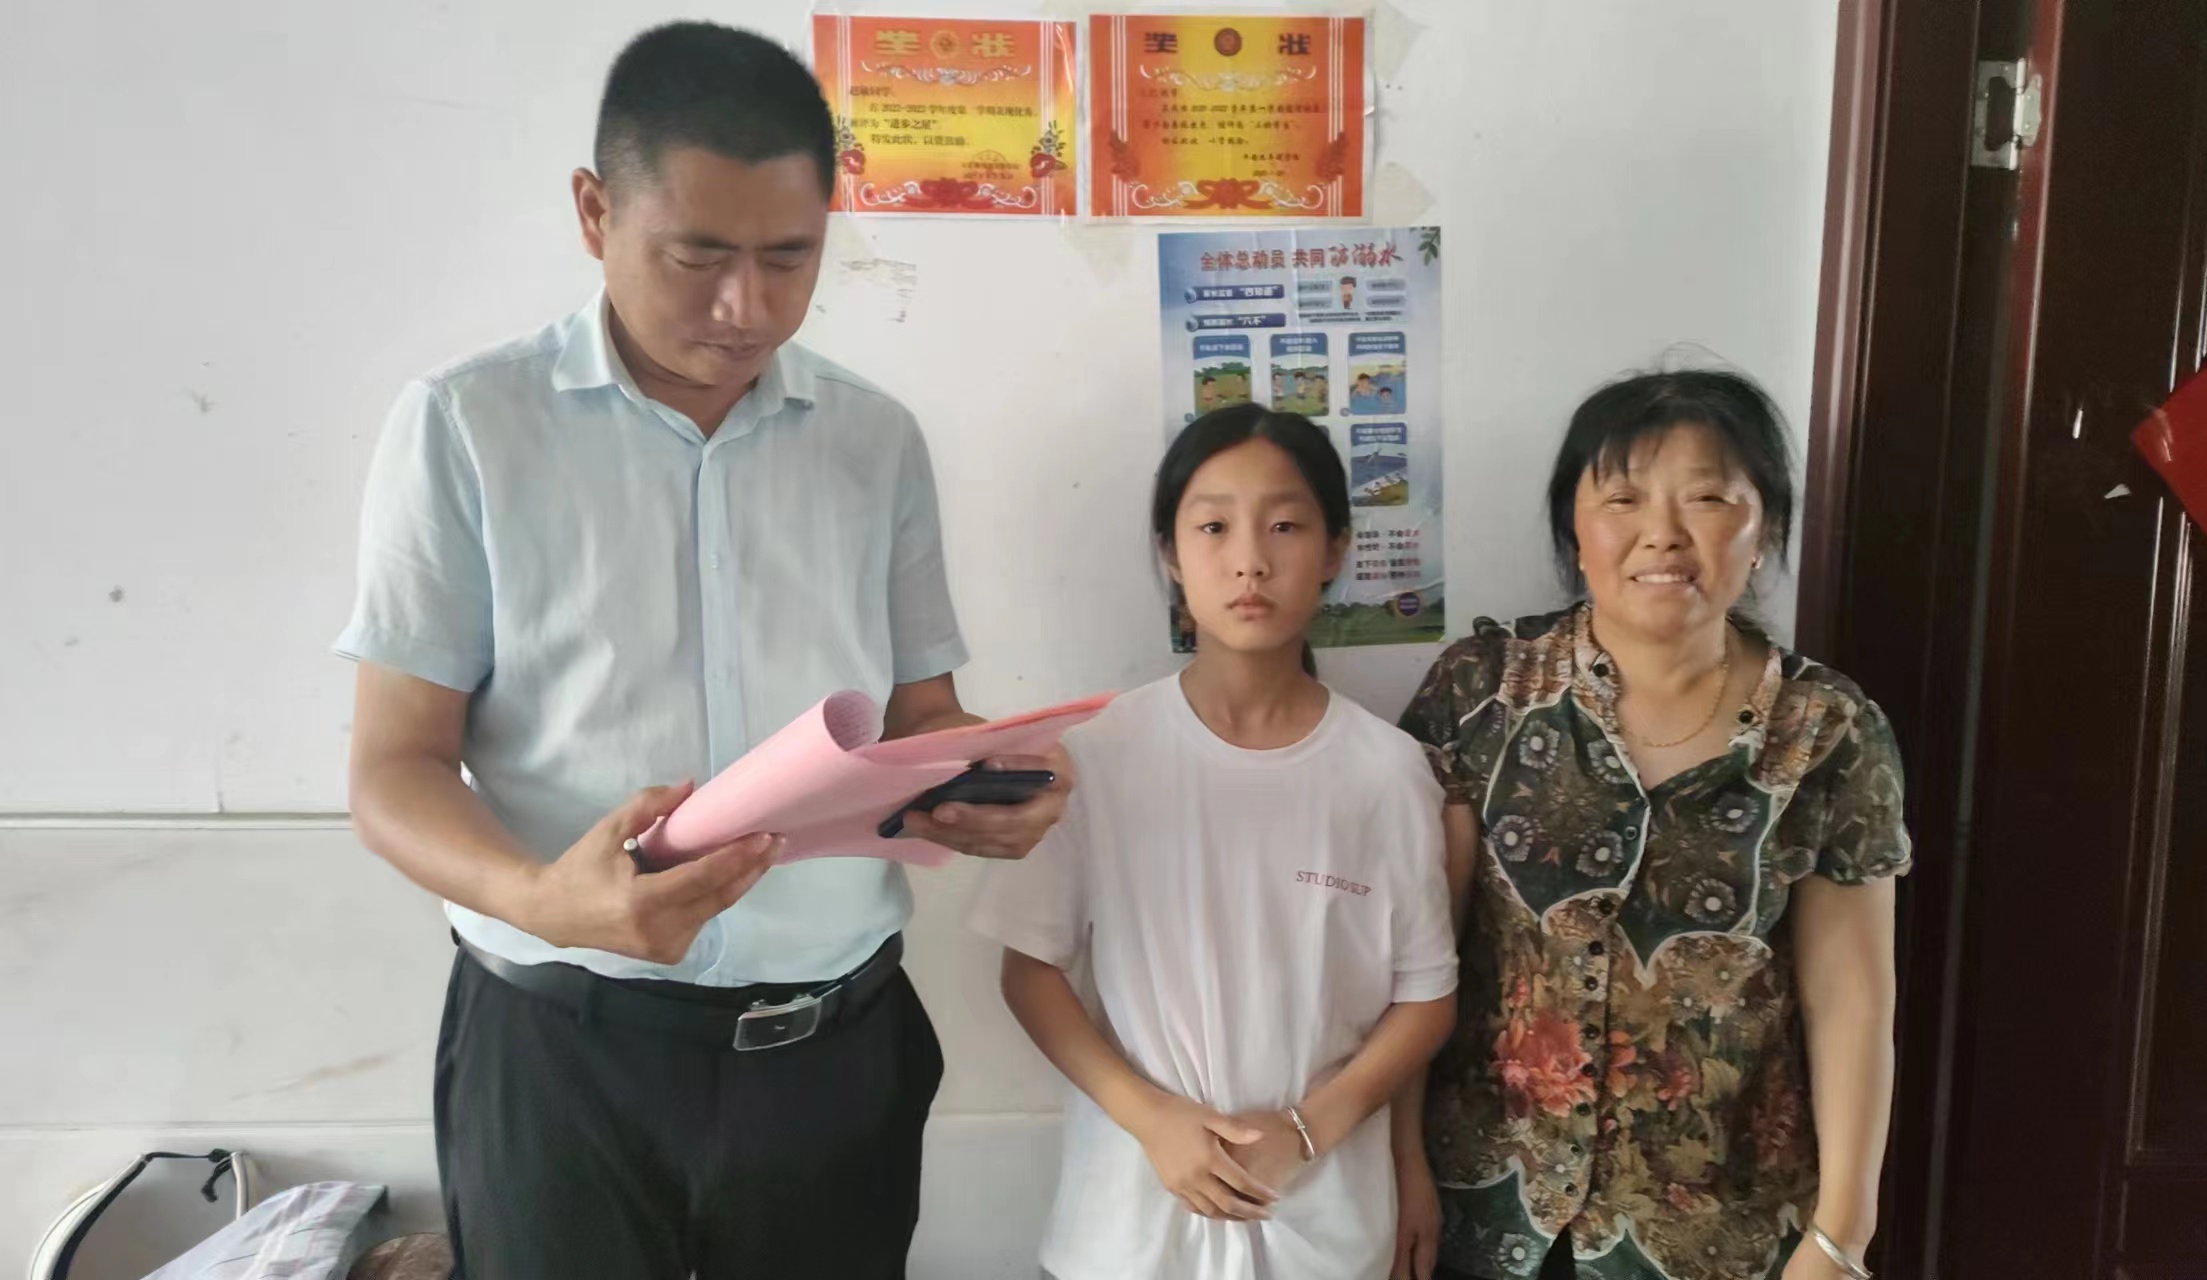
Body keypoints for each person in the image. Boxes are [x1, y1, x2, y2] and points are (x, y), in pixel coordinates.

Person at [335, 22, 1067, 1279]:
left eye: (790, 258)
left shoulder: (873, 441)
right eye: (697, 256)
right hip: (564, 1054)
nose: (746, 307)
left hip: (831, 1053)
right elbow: (391, 767)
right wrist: (541, 896)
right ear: (593, 212)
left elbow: (920, 713)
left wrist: (983, 777)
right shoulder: (467, 427)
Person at [1398, 370, 1907, 1280]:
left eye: (1707, 497)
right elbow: (1415, 960)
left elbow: (1853, 1001)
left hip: (1721, 1229)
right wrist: (1398, 1165)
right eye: (1623, 499)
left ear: (1765, 530)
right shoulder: (1483, 693)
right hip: (1488, 1209)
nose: (1663, 533)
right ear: (1576, 530)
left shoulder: (1828, 731)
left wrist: (1842, 1237)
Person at [968, 404, 1459, 1280]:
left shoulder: (1386, 772)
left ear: (1336, 550)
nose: (1250, 561)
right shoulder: (1095, 755)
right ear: (1170, 553)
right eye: (1214, 527)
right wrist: (1153, 1119)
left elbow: (1425, 998)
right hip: (1126, 1232)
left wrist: (1306, 1131)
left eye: (1285, 526)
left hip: (1323, 1230)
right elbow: (1029, 971)